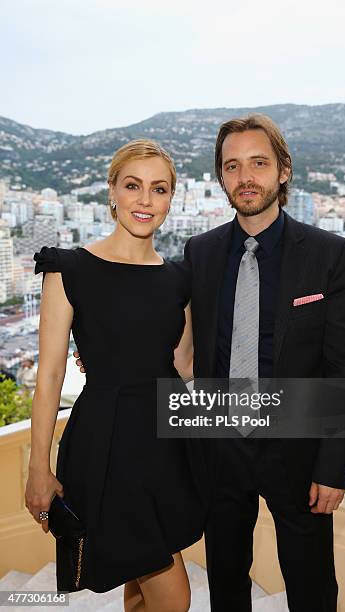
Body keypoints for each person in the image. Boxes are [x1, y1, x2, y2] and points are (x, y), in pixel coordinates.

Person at [182, 115, 345, 611]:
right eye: (232, 166)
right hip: (220, 451)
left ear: (283, 170)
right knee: (225, 582)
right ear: (221, 178)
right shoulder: (199, 252)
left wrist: (333, 467)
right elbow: (161, 320)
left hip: (300, 454)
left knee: (311, 588)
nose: (246, 177)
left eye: (258, 163)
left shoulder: (329, 254)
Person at [25, 140, 208, 612]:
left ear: (172, 199)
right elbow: (48, 377)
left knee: (141, 575)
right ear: (112, 191)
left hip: (166, 445)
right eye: (133, 186)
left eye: (159, 189)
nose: (146, 201)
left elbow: (185, 368)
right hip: (106, 445)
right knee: (173, 595)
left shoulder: (179, 278)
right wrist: (38, 468)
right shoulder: (69, 270)